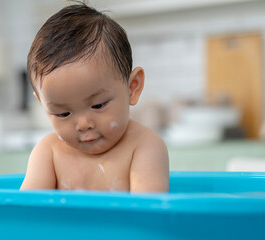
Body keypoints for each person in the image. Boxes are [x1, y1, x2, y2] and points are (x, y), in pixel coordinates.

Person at [20, 3, 169, 192]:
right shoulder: (48, 153)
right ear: (43, 105)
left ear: (132, 88)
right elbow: (28, 214)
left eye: (98, 105)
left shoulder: (144, 146)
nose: (83, 124)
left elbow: (147, 215)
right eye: (63, 113)